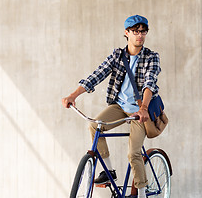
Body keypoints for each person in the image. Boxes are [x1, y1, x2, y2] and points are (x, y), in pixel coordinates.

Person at [62, 15, 161, 198]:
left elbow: (150, 83)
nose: (140, 35)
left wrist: (144, 108)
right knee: (94, 125)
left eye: (143, 31)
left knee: (133, 153)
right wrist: (73, 95)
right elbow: (97, 75)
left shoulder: (151, 57)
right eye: (135, 31)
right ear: (126, 33)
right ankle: (109, 173)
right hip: (119, 106)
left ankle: (140, 192)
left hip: (139, 111)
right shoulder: (117, 56)